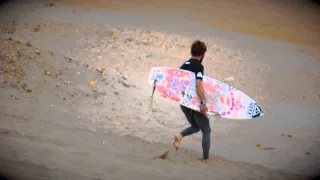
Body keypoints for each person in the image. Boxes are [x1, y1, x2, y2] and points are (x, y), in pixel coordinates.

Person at [173, 40, 211, 163]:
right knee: (206, 130)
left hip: (183, 103)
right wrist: (203, 103)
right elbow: (198, 84)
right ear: (203, 53)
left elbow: (177, 83)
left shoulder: (184, 65)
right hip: (194, 104)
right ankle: (206, 159)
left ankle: (180, 136)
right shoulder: (199, 66)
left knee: (195, 126)